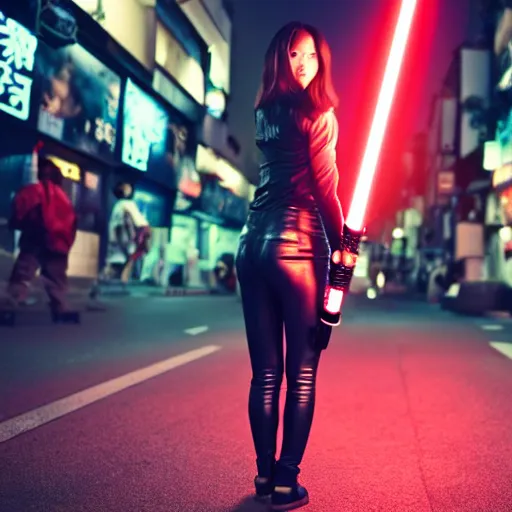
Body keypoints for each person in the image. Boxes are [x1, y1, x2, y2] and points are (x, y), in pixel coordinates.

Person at [235, 21, 345, 511]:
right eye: (296, 55)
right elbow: (325, 190)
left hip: (251, 246)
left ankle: (263, 476)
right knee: (301, 374)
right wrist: (344, 244)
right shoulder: (319, 113)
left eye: (312, 57)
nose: (305, 65)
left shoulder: (264, 112)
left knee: (264, 373)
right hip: (298, 249)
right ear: (282, 57)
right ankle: (285, 481)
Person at [7, 156, 77, 316]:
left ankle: (11, 302)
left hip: (34, 240)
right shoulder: (65, 198)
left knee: (23, 274)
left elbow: (19, 213)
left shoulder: (32, 191)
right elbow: (72, 224)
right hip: (58, 244)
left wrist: (16, 225)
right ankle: (59, 307)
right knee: (56, 278)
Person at [105, 182, 151, 284]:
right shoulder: (127, 204)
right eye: (126, 187)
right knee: (125, 262)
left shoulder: (118, 205)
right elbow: (138, 223)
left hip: (118, 240)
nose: (129, 188)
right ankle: (121, 283)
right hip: (125, 240)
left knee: (115, 264)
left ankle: (102, 283)